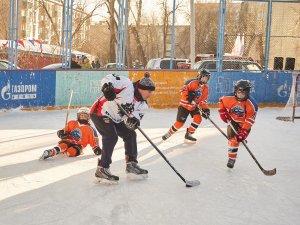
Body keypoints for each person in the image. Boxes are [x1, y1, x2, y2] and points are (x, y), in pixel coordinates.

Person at [90, 72, 155, 182]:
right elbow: (108, 77)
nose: (151, 94)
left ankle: (131, 164)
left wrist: (133, 122)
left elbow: (133, 121)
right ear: (142, 89)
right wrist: (107, 87)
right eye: (150, 91)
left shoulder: (142, 105)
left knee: (130, 134)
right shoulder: (127, 85)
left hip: (116, 118)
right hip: (101, 112)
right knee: (111, 137)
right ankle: (102, 168)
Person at [162, 69, 211, 143]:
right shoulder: (191, 82)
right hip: (184, 106)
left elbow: (203, 100)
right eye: (204, 77)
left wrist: (205, 109)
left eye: (206, 78)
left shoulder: (205, 88)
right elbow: (182, 91)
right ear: (200, 76)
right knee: (180, 123)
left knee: (198, 119)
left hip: (194, 107)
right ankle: (169, 133)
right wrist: (189, 97)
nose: (205, 80)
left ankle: (189, 134)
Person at [218, 79, 258, 169]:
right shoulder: (228, 98)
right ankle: (231, 158)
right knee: (233, 140)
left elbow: (250, 120)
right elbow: (221, 102)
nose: (240, 95)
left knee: (239, 138)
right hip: (233, 121)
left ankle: (240, 139)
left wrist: (243, 131)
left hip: (244, 124)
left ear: (247, 93)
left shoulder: (252, 104)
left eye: (242, 93)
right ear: (235, 91)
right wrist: (222, 112)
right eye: (238, 92)